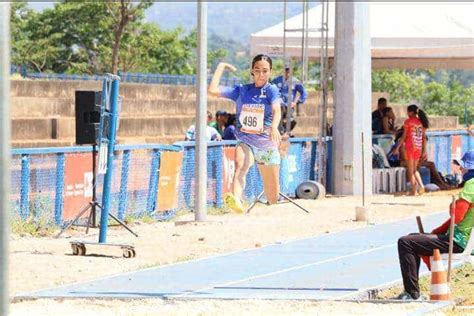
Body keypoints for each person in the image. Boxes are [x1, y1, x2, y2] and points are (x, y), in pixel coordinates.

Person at [209, 55, 282, 213]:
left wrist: (275, 127)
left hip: (267, 146)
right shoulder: (241, 90)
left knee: (273, 197)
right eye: (257, 71)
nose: (261, 75)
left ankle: (273, 206)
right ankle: (237, 201)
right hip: (245, 140)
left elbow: (277, 109)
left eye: (265, 71)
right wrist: (221, 66)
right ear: (252, 71)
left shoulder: (271, 90)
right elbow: (213, 90)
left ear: (270, 72)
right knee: (240, 166)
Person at [396, 174, 474, 300]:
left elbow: (457, 215)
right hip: (467, 242)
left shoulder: (472, 184)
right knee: (414, 238)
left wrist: (453, 205)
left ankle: (412, 294)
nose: (461, 169)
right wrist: (437, 231)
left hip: (458, 242)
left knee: (406, 242)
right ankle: (412, 292)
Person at [392, 104, 429, 196]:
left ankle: (414, 191)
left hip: (410, 147)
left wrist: (396, 148)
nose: (407, 113)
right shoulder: (421, 123)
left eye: (408, 112)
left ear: (411, 112)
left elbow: (404, 137)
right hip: (418, 148)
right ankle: (421, 186)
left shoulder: (408, 122)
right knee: (415, 169)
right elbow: (424, 138)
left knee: (410, 170)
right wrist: (424, 151)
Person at [271, 66, 307, 134]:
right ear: (284, 71)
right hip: (280, 104)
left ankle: (286, 132)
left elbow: (304, 92)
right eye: (286, 71)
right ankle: (280, 132)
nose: (287, 73)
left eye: (289, 71)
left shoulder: (295, 81)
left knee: (291, 121)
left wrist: (296, 102)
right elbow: (269, 88)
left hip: (290, 105)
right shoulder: (277, 80)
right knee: (278, 118)